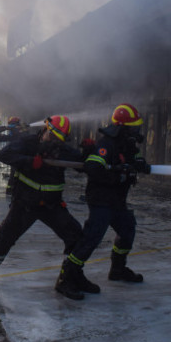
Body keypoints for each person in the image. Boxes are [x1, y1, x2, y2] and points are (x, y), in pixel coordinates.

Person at [0, 116, 94, 300]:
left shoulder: (61, 149)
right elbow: (4, 154)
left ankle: (70, 278)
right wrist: (30, 161)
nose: (54, 143)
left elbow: (82, 165)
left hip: (51, 205)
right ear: (45, 130)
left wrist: (88, 152)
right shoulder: (27, 142)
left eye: (58, 140)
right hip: (25, 204)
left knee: (76, 236)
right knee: (4, 239)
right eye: (52, 138)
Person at [65, 104, 151, 300]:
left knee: (128, 230)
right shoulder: (106, 145)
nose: (137, 131)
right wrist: (119, 175)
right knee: (92, 237)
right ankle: (68, 277)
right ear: (123, 127)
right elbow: (93, 168)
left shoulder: (127, 145)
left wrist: (139, 163)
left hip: (117, 201)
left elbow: (133, 158)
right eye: (133, 127)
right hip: (101, 199)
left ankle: (118, 269)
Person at [4, 116, 23, 195]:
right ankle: (10, 189)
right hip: (15, 152)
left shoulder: (14, 128)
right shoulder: (15, 128)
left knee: (14, 172)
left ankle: (10, 189)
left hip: (14, 151)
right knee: (14, 172)